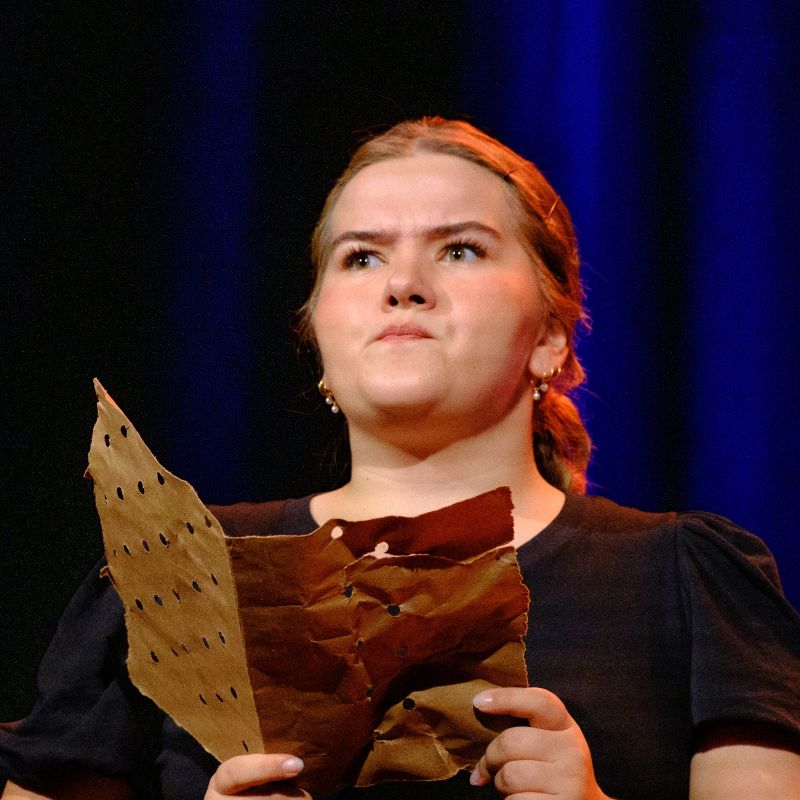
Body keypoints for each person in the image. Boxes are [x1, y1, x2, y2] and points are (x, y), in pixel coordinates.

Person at [2, 117, 799, 800]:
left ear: (552, 335)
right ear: (316, 336)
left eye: (460, 251)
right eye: (361, 257)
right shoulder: (179, 575)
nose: (404, 285)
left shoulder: (683, 582)